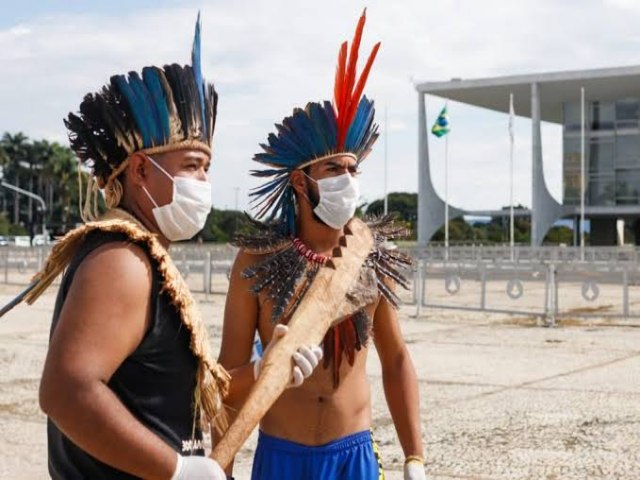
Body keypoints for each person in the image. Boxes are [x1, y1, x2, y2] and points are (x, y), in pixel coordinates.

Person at [31, 15, 320, 479]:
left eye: (207, 168)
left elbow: (163, 393)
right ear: (141, 171)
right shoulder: (121, 261)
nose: (203, 182)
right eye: (192, 166)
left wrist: (268, 369)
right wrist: (177, 470)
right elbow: (67, 392)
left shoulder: (145, 256)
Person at [218, 10, 426, 480]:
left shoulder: (368, 257)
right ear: (299, 180)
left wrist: (415, 457)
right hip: (280, 458)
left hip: (353, 457)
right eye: (334, 170)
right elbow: (224, 385)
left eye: (353, 170)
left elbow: (394, 360)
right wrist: (223, 465)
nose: (347, 181)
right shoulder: (256, 262)